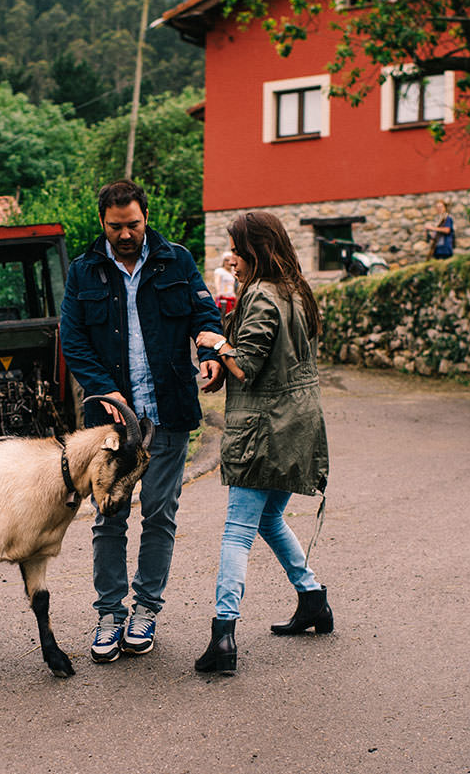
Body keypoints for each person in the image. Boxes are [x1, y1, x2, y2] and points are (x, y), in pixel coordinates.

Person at [60, 179, 224, 663]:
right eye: (116, 226)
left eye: (133, 224)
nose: (125, 234)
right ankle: (109, 614)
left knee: (160, 513)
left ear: (145, 216)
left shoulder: (178, 259)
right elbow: (73, 341)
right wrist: (101, 387)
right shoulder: (83, 272)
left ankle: (146, 608)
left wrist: (211, 346)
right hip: (110, 426)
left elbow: (203, 311)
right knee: (109, 515)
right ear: (102, 223)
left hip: (168, 412)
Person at [193, 211, 332, 676]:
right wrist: (226, 359)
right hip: (299, 421)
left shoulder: (261, 295)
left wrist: (215, 342)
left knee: (237, 530)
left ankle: (223, 634)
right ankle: (313, 598)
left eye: (236, 247)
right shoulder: (296, 290)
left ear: (255, 248)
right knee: (270, 517)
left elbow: (246, 365)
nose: (231, 255)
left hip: (264, 428)